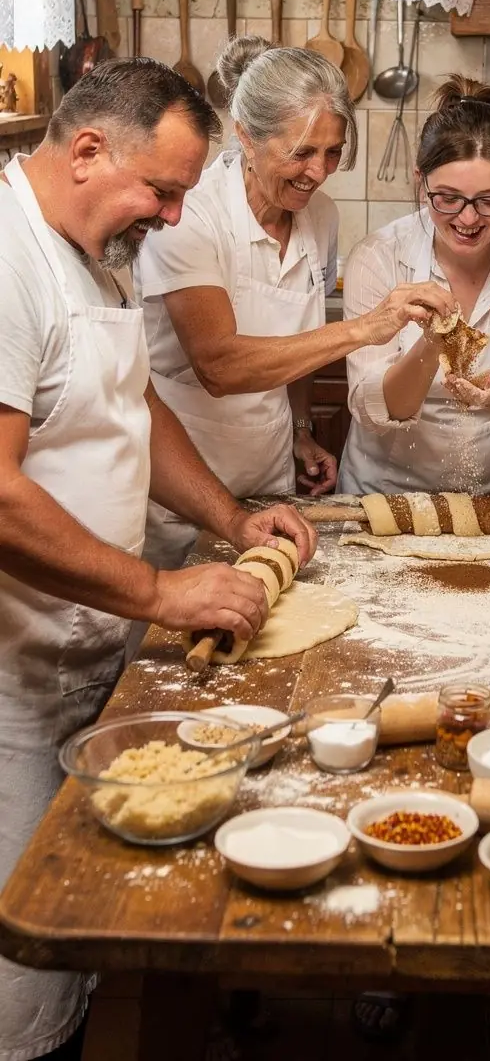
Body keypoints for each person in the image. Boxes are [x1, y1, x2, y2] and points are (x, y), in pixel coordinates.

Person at [0, 58, 316, 1061]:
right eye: (164, 190)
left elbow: (135, 405)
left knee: (96, 929)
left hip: (94, 651)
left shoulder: (95, 253)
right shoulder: (6, 258)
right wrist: (158, 587)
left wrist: (231, 518)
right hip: (14, 677)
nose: (176, 217)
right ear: (89, 151)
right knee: (25, 953)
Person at [135, 39, 454, 569]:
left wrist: (301, 429)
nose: (319, 171)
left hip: (269, 480)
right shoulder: (192, 217)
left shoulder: (319, 216)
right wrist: (364, 329)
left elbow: (297, 340)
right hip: (182, 487)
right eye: (301, 152)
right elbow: (218, 364)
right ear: (246, 136)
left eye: (332, 152)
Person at [338, 75, 490, 495]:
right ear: (420, 181)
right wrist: (433, 342)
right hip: (388, 492)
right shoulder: (377, 258)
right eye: (448, 198)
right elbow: (375, 407)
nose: (468, 219)